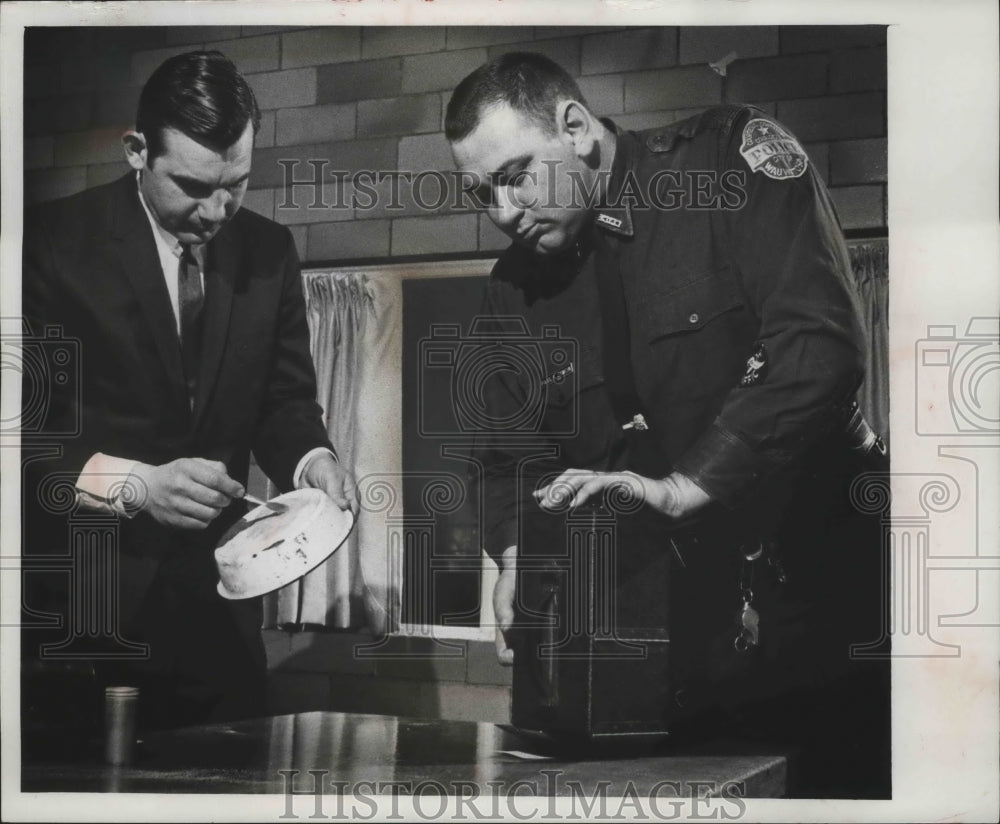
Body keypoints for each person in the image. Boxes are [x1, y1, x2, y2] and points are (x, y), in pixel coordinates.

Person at [445, 52, 889, 797]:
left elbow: (817, 346)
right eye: (482, 192)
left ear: (577, 128)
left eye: (517, 174)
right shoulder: (513, 293)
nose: (504, 212)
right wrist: (516, 556)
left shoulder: (726, 164)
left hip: (825, 596)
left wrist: (687, 486)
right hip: (664, 633)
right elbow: (505, 454)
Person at [21, 50, 357, 731]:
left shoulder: (269, 253)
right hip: (82, 614)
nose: (217, 210)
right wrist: (138, 485)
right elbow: (22, 436)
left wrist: (311, 458)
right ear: (136, 150)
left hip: (219, 618)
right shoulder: (50, 243)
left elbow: (284, 402)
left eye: (236, 184)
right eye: (194, 186)